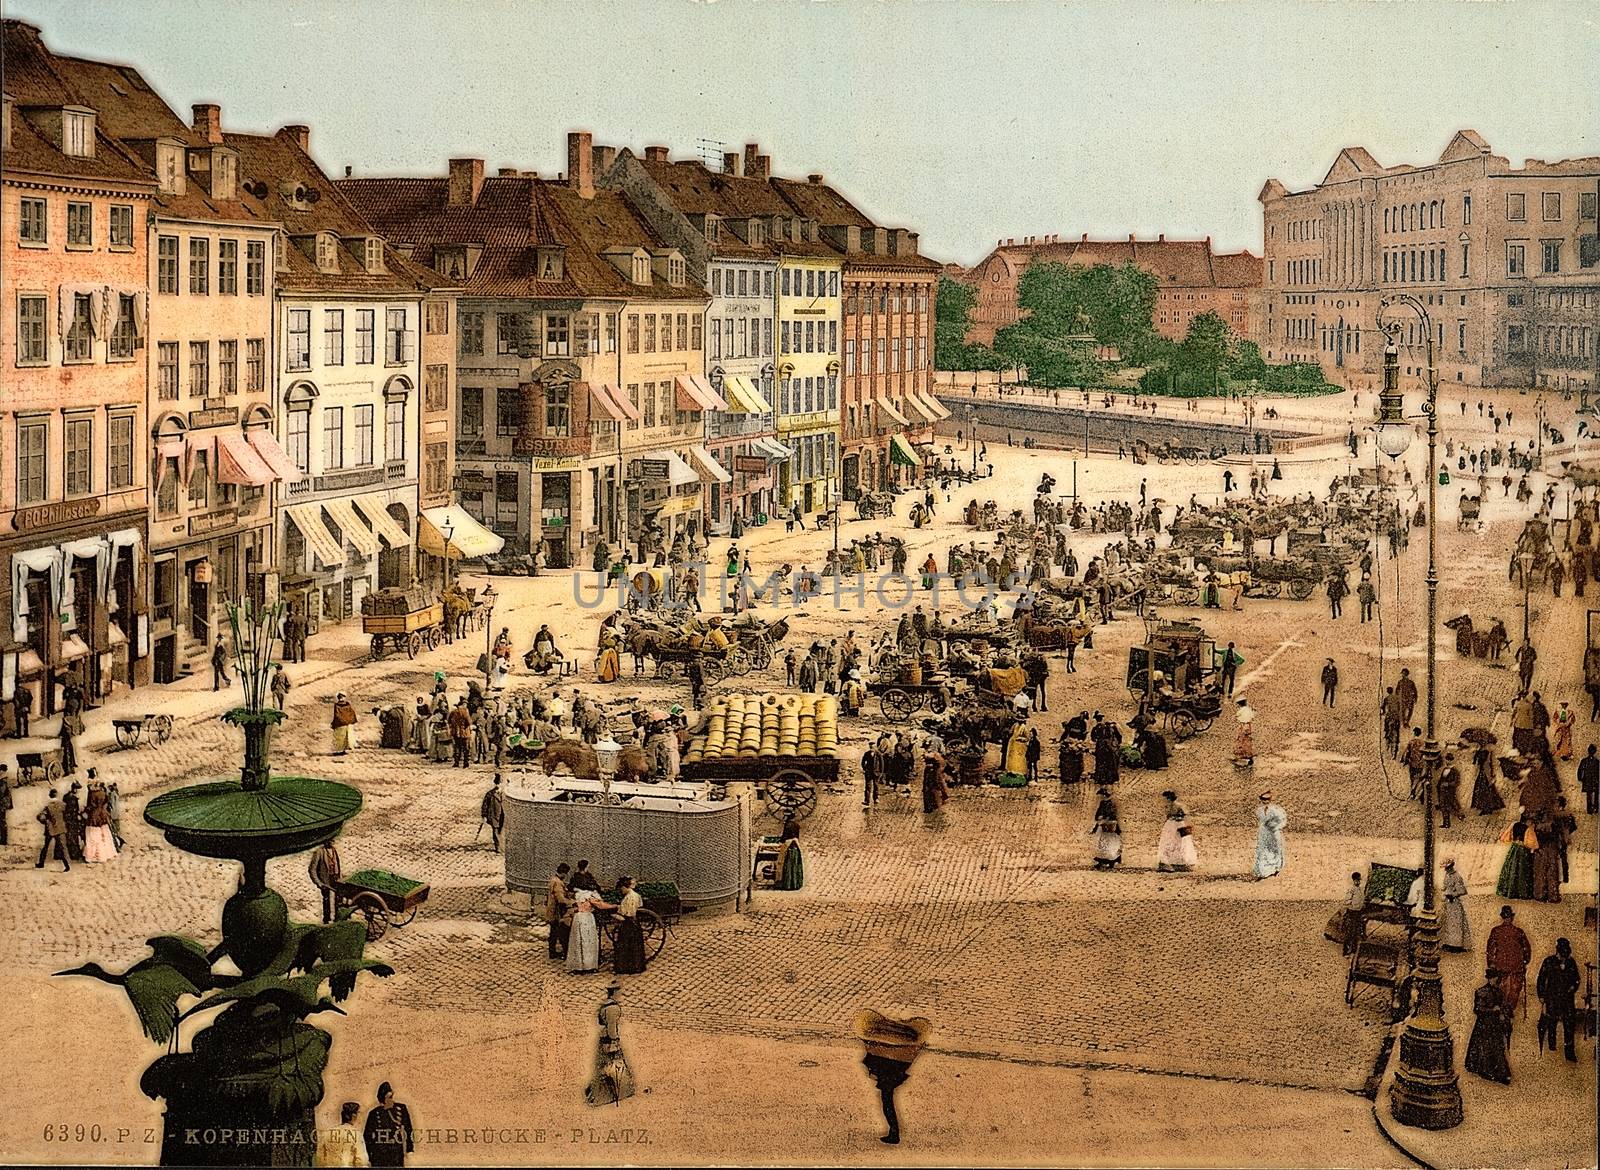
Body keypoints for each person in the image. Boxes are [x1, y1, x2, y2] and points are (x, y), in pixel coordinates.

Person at [585, 982, 636, 1106]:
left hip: (603, 1039)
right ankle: (607, 1094)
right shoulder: (613, 1009)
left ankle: (595, 1092)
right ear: (614, 992)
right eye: (618, 992)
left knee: (602, 1066)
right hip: (609, 1041)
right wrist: (615, 1041)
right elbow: (612, 1028)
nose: (620, 994)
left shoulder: (605, 1005)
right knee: (615, 1066)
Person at [1486, 905, 1533, 1028]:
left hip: (1502, 968)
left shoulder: (1496, 931)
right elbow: (1527, 950)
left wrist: (1491, 964)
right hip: (1515, 968)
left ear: (1503, 917)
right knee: (1513, 991)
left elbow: (1491, 950)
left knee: (1502, 991)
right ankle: (1508, 1014)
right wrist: (1524, 961)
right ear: (1511, 918)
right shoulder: (1519, 932)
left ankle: (1503, 1014)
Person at [1535, 938, 1580, 1062]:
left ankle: (1569, 1053)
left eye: (1566, 955)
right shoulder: (1548, 961)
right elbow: (1541, 980)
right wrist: (1542, 996)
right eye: (1561, 955)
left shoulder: (1571, 963)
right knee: (1551, 1021)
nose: (1563, 958)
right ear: (1557, 952)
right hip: (1552, 997)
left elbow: (1577, 979)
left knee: (1569, 1024)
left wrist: (1573, 987)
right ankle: (1551, 1046)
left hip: (1567, 998)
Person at [1465, 970, 1513, 1084]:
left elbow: (1502, 1006)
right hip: (1485, 1025)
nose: (1495, 981)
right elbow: (1477, 1010)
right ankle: (1489, 1071)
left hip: (1494, 1025)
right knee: (1486, 1048)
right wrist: (1492, 1010)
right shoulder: (1481, 992)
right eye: (1493, 979)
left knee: (1496, 1047)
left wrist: (1503, 1014)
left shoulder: (1498, 992)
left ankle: (1500, 1073)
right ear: (1489, 979)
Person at [362, 1083, 414, 1167]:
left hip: (396, 1153)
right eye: (389, 1098)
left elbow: (408, 1129)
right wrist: (370, 1156)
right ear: (383, 1099)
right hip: (379, 1154)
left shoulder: (401, 1108)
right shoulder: (374, 1114)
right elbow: (367, 1136)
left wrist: (409, 1149)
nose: (392, 1100)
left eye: (392, 1097)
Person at [566, 885, 615, 974]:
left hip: (578, 918)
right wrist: (613, 906)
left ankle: (578, 966)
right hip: (586, 918)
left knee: (578, 941)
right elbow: (600, 905)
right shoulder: (588, 895)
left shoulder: (578, 893)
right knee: (588, 941)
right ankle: (588, 966)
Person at [611, 875, 648, 974]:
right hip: (633, 924)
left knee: (626, 945)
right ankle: (634, 966)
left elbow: (628, 915)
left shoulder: (630, 897)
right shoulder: (633, 895)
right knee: (633, 945)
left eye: (621, 889)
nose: (621, 891)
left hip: (629, 925)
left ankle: (627, 967)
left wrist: (614, 916)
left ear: (624, 887)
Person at [314, 1101, 368, 1168]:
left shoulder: (327, 1133)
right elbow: (361, 1161)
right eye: (358, 1113)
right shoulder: (356, 1135)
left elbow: (320, 1158)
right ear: (354, 1116)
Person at [1495, 814, 1536, 899]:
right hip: (1522, 850)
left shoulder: (1514, 825)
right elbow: (1531, 844)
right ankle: (1521, 892)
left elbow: (1504, 838)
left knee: (1511, 869)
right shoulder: (1528, 829)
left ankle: (1509, 891)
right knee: (1522, 871)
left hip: (1514, 848)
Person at [1155, 791, 1197, 872]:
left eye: (1165, 798)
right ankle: (1169, 862)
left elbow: (1186, 814)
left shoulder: (1178, 806)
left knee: (1178, 843)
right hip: (1170, 826)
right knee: (1169, 842)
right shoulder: (1168, 806)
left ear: (1168, 798)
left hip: (1177, 825)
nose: (1163, 801)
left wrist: (1179, 819)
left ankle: (1180, 863)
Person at [82, 774, 117, 863]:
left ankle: (93, 856)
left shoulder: (92, 794)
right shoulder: (103, 793)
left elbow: (91, 805)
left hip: (94, 815)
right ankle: (107, 854)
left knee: (93, 836)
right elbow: (106, 803)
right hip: (103, 814)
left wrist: (84, 810)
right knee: (104, 834)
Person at [1252, 792, 1287, 878]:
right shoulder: (1259, 810)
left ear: (1270, 800)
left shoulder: (1276, 810)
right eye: (1264, 800)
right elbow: (1261, 820)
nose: (1265, 802)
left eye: (1267, 800)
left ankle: (1276, 869)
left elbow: (1283, 821)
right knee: (1262, 849)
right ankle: (1263, 871)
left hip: (1273, 832)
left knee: (1275, 850)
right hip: (1264, 832)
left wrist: (1275, 826)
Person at [34, 787, 70, 871]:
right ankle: (67, 865)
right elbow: (67, 815)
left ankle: (41, 863)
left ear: (50, 796)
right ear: (57, 795)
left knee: (45, 846)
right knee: (63, 847)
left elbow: (40, 816)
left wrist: (46, 822)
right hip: (60, 828)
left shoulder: (48, 807)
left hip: (50, 829)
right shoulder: (63, 805)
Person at [1439, 858, 1470, 952]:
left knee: (1455, 924)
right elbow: (1444, 887)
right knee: (1447, 923)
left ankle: (1456, 945)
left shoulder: (1457, 876)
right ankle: (1448, 943)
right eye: (1446, 868)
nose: (1446, 869)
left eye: (1448, 867)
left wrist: (1453, 894)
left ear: (1452, 866)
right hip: (1448, 903)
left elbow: (1463, 891)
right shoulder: (1447, 875)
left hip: (1454, 903)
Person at [545, 863, 574, 959]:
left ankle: (552, 951)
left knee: (554, 931)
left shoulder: (554, 879)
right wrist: (571, 902)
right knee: (559, 931)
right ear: (564, 873)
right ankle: (556, 952)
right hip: (556, 911)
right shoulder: (557, 883)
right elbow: (561, 899)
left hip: (552, 909)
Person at [309, 839, 341, 924]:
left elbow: (337, 863)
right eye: (329, 841)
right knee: (326, 900)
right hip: (325, 880)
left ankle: (337, 919)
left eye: (332, 841)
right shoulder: (319, 852)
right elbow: (312, 870)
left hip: (335, 878)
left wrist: (339, 876)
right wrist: (319, 883)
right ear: (325, 841)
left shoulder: (334, 850)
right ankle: (326, 920)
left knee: (338, 899)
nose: (331, 842)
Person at [1090, 787, 1121, 869]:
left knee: (1108, 843)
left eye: (1101, 795)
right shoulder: (1103, 803)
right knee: (1103, 844)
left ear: (1104, 795)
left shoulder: (1109, 803)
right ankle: (1104, 861)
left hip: (1109, 825)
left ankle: (1110, 862)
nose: (1100, 797)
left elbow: (1111, 817)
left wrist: (1103, 820)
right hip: (1104, 825)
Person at [480, 775, 505, 852]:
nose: (498, 785)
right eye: (496, 783)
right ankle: (497, 847)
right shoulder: (490, 794)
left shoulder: (505, 794)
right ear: (494, 784)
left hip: (502, 815)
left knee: (500, 829)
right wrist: (484, 815)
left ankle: (500, 843)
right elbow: (485, 805)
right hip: (493, 814)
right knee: (495, 830)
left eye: (499, 783)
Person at [446, 698, 472, 768]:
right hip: (464, 732)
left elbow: (449, 721)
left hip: (455, 732)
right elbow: (469, 722)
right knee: (465, 748)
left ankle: (456, 763)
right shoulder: (465, 712)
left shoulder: (453, 712)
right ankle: (465, 763)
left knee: (457, 747)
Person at [1233, 696, 1255, 766]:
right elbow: (1252, 717)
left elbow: (1236, 717)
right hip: (1249, 726)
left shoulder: (1241, 710)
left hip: (1243, 726)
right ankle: (1249, 757)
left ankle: (1239, 756)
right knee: (1247, 741)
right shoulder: (1249, 710)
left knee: (1240, 741)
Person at [1580, 744, 1599, 815]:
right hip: (1589, 780)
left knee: (1594, 794)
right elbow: (1580, 770)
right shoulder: (1585, 761)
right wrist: (1581, 778)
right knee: (1589, 795)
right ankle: (1590, 809)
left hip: (1594, 781)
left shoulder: (1597, 762)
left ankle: (1595, 809)